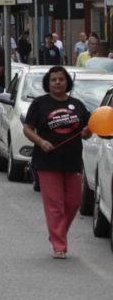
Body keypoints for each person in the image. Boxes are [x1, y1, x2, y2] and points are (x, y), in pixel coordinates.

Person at [22, 66, 91, 259]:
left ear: (67, 82)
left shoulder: (77, 104)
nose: (58, 83)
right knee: (55, 204)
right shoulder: (40, 104)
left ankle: (57, 233)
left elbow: (87, 130)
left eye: (61, 79)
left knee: (73, 202)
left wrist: (87, 132)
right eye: (54, 80)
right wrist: (41, 142)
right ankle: (59, 245)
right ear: (48, 83)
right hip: (47, 161)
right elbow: (27, 129)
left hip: (73, 161)